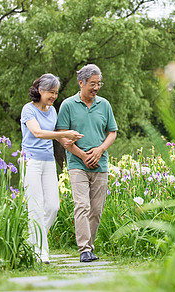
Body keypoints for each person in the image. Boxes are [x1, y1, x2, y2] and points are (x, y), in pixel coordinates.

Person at [56, 64, 117, 262]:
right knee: (81, 205)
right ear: (81, 83)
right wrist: (83, 155)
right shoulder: (67, 105)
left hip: (101, 164)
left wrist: (100, 150)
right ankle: (84, 250)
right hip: (77, 163)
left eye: (99, 84)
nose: (96, 87)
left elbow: (112, 132)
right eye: (93, 84)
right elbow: (62, 137)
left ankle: (90, 247)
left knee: (96, 209)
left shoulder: (105, 105)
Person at [21, 73, 83, 264]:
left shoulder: (52, 110)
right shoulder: (28, 110)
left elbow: (56, 136)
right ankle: (41, 253)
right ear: (40, 91)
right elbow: (38, 133)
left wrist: (72, 142)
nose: (54, 96)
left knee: (53, 207)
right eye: (51, 92)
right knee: (36, 207)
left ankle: (33, 242)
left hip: (48, 161)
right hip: (30, 161)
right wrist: (65, 132)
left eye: (56, 93)